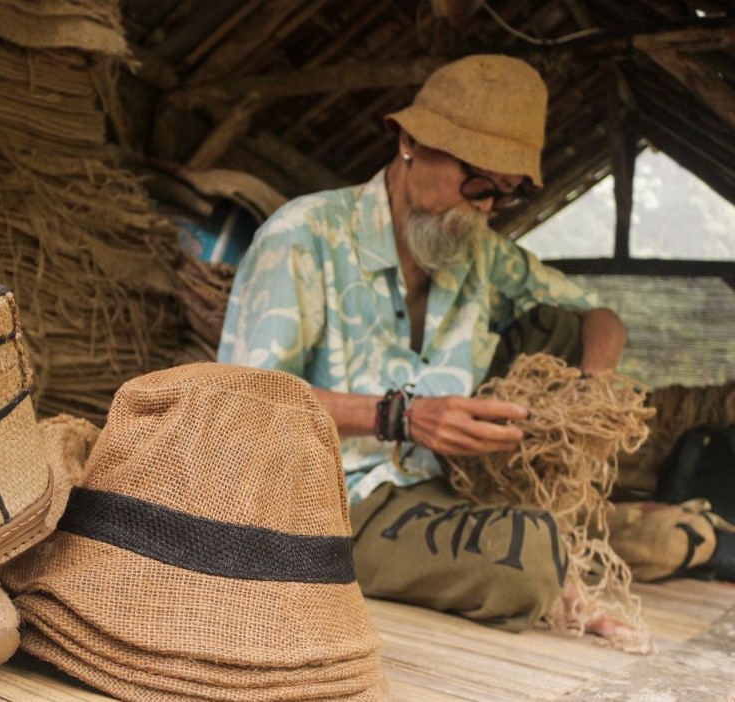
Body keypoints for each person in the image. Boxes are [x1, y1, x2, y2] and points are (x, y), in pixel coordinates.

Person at [218, 55, 630, 636]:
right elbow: (242, 402)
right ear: (410, 141)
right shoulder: (302, 236)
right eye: (477, 182)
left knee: (557, 329)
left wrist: (592, 392)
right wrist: (400, 417)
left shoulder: (484, 256)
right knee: (531, 563)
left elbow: (600, 316)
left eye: (504, 196)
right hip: (323, 503)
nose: (485, 207)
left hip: (435, 490)